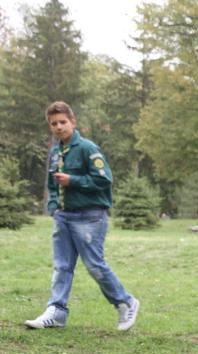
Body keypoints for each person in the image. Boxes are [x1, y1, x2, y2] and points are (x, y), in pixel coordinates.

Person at [24, 101, 140, 331]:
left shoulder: (88, 149)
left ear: (73, 123)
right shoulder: (55, 152)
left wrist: (73, 180)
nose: (59, 127)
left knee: (95, 265)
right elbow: (52, 184)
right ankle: (56, 312)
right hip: (64, 217)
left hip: (90, 217)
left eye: (63, 122)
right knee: (62, 267)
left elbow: (104, 179)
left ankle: (125, 302)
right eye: (54, 123)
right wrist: (54, 207)